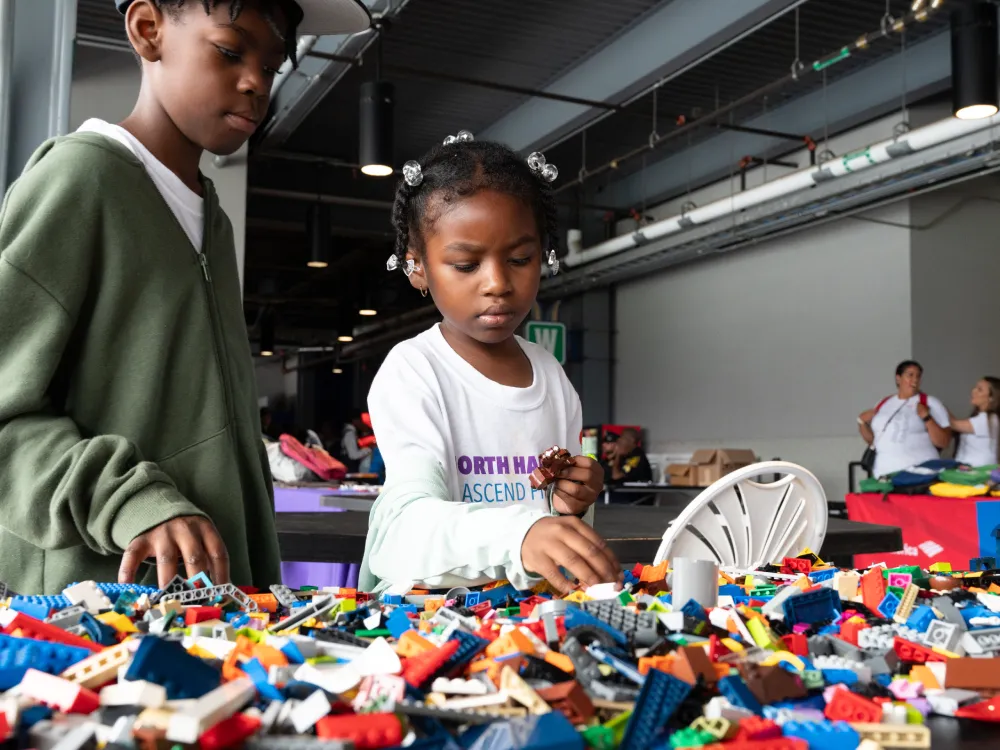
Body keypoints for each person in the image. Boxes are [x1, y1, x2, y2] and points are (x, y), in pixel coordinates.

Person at [0, 0, 369, 593]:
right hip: (101, 613)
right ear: (149, 30)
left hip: (213, 608)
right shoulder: (79, 181)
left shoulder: (211, 220)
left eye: (272, 65)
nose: (256, 83)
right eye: (229, 50)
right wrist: (129, 500)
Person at [360, 135, 620, 596]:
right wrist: (518, 535)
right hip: (429, 619)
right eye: (465, 265)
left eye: (520, 259)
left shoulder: (552, 377)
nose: (497, 283)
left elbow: (550, 524)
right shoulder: (415, 371)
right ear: (416, 266)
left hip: (528, 617)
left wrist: (574, 503)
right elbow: (402, 527)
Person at [858, 360, 951, 478]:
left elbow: (944, 442)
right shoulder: (883, 403)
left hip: (919, 473)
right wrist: (861, 423)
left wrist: (927, 418)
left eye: (918, 376)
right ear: (898, 378)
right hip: (884, 472)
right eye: (910, 375)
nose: (915, 380)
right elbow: (873, 441)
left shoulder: (930, 403)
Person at [950, 377, 1000, 467]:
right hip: (968, 470)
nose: (973, 391)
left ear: (991, 398)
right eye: (975, 387)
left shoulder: (991, 419)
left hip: (980, 473)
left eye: (979, 390)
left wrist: (933, 404)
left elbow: (953, 423)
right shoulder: (979, 417)